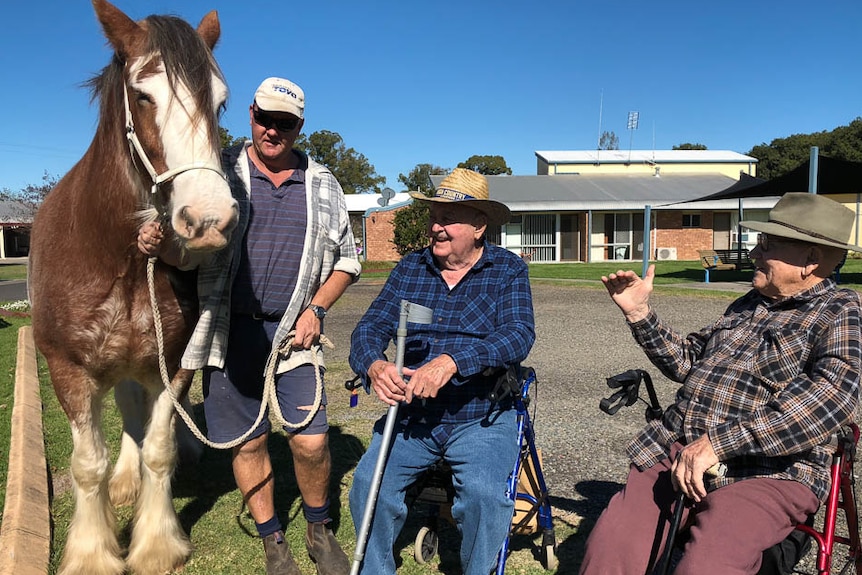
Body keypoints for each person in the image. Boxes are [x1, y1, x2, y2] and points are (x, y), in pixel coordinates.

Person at [138, 77, 359, 575]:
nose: (272, 130)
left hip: (293, 337)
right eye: (264, 118)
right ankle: (273, 541)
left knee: (311, 441)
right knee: (250, 442)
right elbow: (189, 248)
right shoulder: (221, 175)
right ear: (251, 114)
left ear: (299, 127)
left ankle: (319, 530)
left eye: (285, 123)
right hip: (228, 332)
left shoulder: (322, 183)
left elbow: (347, 260)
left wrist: (316, 309)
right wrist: (162, 246)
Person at [580, 192, 862, 575]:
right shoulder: (747, 303)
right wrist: (640, 313)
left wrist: (717, 445)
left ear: (810, 261)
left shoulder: (838, 311)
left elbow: (830, 400)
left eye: (768, 245)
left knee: (708, 567)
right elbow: (687, 361)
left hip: (766, 471)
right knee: (610, 552)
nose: (754, 252)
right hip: (678, 449)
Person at [347, 168, 536, 575]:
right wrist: (374, 364)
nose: (436, 227)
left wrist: (453, 362)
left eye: (449, 218)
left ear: (479, 226)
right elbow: (368, 329)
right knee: (367, 487)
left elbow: (519, 335)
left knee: (486, 496)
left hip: (480, 416)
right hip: (414, 416)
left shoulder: (507, 271)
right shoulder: (409, 270)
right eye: (434, 216)